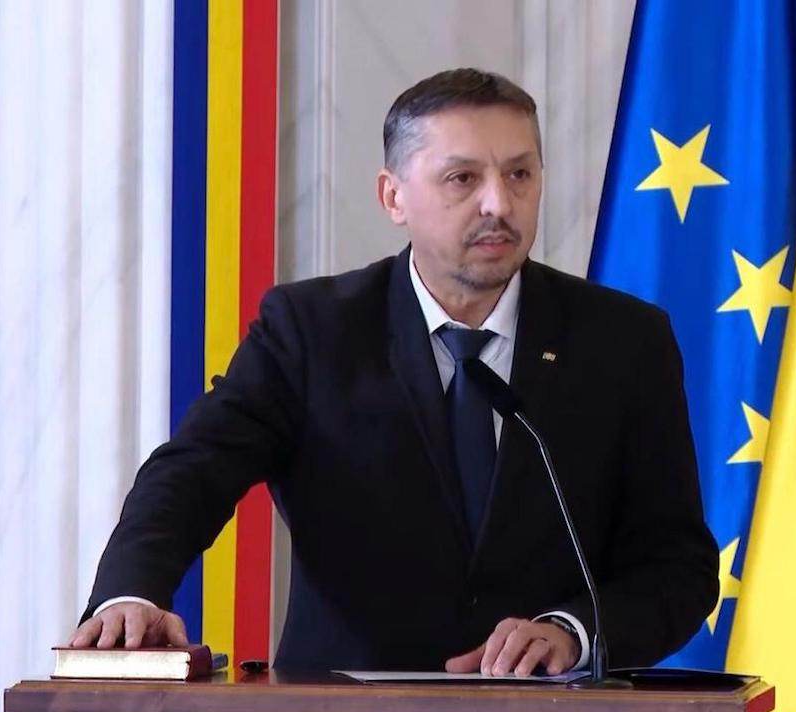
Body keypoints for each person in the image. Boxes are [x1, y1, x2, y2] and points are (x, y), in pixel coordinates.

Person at [69, 68, 718, 676]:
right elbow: (192, 472)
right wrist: (130, 594)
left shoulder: (623, 341)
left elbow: (677, 567)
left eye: (520, 174)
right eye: (463, 178)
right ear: (393, 196)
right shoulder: (311, 331)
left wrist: (572, 631)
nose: (499, 203)